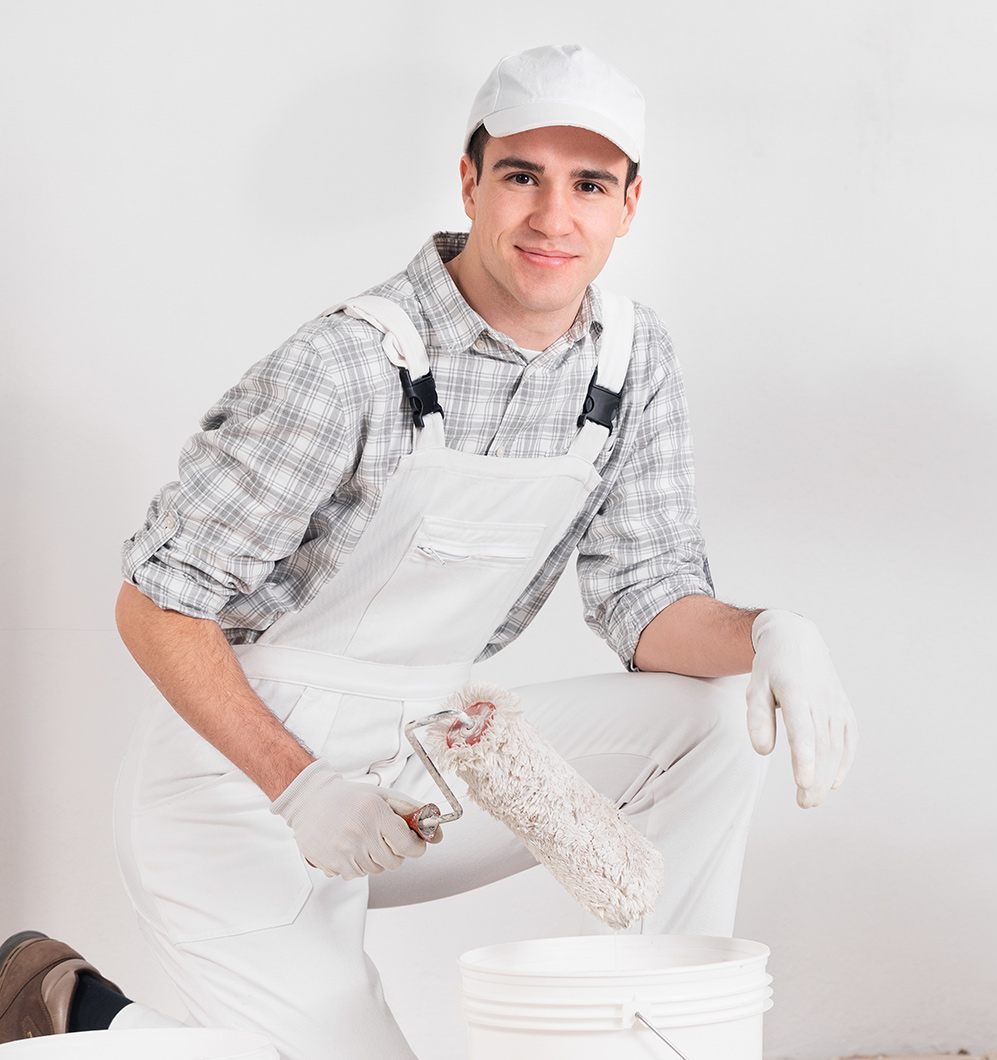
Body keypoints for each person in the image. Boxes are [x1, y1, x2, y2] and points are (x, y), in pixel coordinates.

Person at [0, 44, 856, 1056]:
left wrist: (773, 635)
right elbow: (157, 605)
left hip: (427, 753)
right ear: (470, 182)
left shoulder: (629, 361)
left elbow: (646, 600)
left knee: (714, 716)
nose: (552, 218)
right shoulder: (350, 363)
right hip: (239, 794)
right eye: (521, 178)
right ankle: (72, 1011)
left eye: (587, 184)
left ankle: (659, 1033)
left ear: (629, 203)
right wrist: (301, 788)